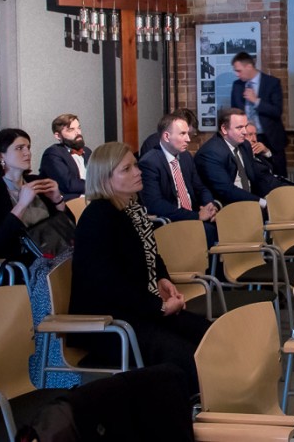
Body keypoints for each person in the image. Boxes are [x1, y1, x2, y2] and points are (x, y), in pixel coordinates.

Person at [69, 142, 211, 394]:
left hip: (138, 309)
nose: (138, 172)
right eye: (127, 169)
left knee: (208, 334)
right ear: (105, 179)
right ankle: (191, 407)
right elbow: (109, 286)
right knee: (184, 355)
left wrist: (163, 279)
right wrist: (159, 307)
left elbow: (151, 254)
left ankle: (218, 399)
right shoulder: (97, 218)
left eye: (135, 165)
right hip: (109, 322)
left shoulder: (132, 208)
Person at [0, 128, 70, 267]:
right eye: (19, 148)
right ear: (1, 156)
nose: (27, 153)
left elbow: (69, 231)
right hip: (16, 267)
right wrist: (21, 205)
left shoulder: (37, 182)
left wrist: (57, 200)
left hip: (53, 258)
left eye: (28, 147)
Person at [139, 113, 219, 246]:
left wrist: (209, 206)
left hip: (193, 217)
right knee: (210, 231)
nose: (188, 139)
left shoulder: (186, 157)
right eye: (182, 134)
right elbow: (155, 204)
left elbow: (200, 188)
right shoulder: (149, 162)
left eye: (188, 133)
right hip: (171, 222)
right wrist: (197, 216)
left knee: (223, 223)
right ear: (166, 136)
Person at [195, 107, 271, 210]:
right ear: (224, 129)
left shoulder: (245, 145)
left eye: (245, 126)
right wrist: (262, 202)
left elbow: (256, 178)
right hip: (227, 208)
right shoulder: (211, 152)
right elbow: (227, 191)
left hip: (251, 203)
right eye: (239, 127)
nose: (245, 132)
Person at [230, 52, 288, 176]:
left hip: (270, 137)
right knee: (252, 174)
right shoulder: (237, 85)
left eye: (239, 71)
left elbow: (277, 111)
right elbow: (233, 113)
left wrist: (256, 101)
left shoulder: (272, 83)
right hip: (246, 137)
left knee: (278, 174)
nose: (237, 74)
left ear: (249, 67)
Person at [245, 122, 294, 205]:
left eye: (255, 134)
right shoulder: (244, 156)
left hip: (282, 184)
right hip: (275, 193)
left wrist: (266, 151)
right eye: (250, 135)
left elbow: (275, 168)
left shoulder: (258, 152)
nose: (254, 139)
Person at [40, 113, 93, 200]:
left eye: (79, 128)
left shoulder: (87, 151)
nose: (78, 132)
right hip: (68, 202)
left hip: (91, 197)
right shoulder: (53, 153)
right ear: (58, 136)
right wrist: (99, 186)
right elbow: (69, 185)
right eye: (71, 130)